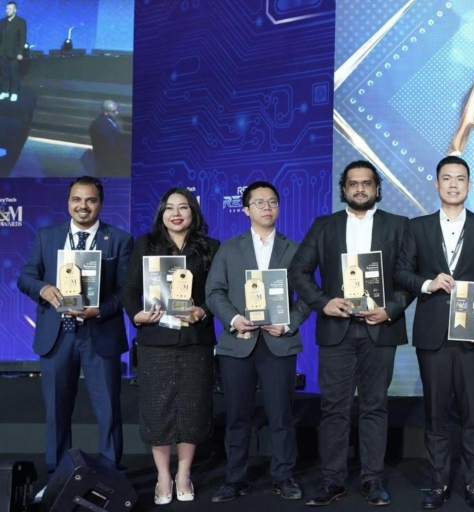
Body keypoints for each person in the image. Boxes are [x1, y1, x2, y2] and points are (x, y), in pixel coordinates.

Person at [288, 160, 413, 507]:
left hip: (380, 328)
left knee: (375, 407)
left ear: (377, 189)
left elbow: (409, 277)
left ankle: (372, 480)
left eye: (366, 183)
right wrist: (323, 303)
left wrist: (391, 309)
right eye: (353, 184)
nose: (360, 189)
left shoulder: (399, 225)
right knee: (334, 409)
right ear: (344, 189)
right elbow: (298, 271)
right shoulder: (324, 226)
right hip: (336, 330)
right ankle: (333, 481)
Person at [395, 155, 474, 510]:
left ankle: (473, 485)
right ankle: (438, 484)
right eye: (447, 178)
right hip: (433, 334)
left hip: (472, 332)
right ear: (437, 183)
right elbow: (401, 272)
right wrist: (428, 283)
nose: (453, 184)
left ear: (469, 184)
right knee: (436, 413)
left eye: (460, 178)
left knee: (473, 414)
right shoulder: (417, 226)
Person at [17, 176, 133, 475]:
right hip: (57, 335)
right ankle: (58, 477)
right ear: (68, 202)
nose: (83, 206)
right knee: (56, 412)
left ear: (100, 203)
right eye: (77, 199)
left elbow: (126, 290)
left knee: (108, 411)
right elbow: (26, 277)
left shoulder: (119, 239)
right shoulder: (47, 236)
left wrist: (100, 310)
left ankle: (110, 476)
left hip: (100, 334)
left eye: (90, 200)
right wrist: (42, 288)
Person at [205, 181, 311, 503]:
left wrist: (289, 323)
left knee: (281, 415)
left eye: (273, 202)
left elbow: (309, 296)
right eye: (260, 202)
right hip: (238, 342)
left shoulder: (295, 249)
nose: (267, 207)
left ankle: (284, 476)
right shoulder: (229, 248)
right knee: (237, 416)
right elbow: (214, 292)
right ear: (246, 209)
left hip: (279, 343)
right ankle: (235, 479)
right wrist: (234, 319)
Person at [120, 187, 220, 506]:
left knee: (192, 408)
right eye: (169, 208)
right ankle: (163, 475)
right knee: (157, 409)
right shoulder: (145, 245)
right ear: (161, 213)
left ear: (194, 213)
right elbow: (129, 288)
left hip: (195, 340)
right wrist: (136, 315)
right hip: (155, 340)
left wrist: (203, 310)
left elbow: (218, 292)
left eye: (183, 207)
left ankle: (184, 474)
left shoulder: (210, 247)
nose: (176, 214)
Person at [89, 100, 131, 175]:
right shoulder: (100, 126)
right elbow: (111, 144)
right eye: (114, 111)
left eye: (116, 110)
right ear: (106, 113)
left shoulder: (108, 119)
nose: (117, 113)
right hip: (109, 159)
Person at [0, 1, 25, 102]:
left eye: (10, 9)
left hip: (14, 53)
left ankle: (14, 92)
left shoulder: (20, 22)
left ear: (15, 10)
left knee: (14, 73)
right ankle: (5, 91)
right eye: (7, 8)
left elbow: (22, 38)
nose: (7, 10)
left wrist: (20, 52)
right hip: (3, 53)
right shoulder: (2, 22)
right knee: (4, 73)